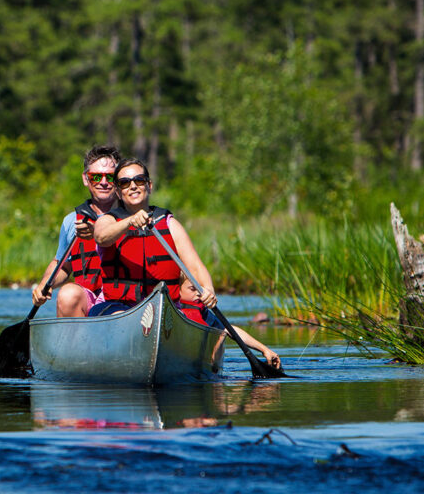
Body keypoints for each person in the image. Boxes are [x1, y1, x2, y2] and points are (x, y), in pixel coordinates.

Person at [92, 158, 281, 369]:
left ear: (149, 185)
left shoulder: (169, 224)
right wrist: (130, 221)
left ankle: (195, 367)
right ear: (118, 192)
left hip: (166, 313)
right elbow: (101, 237)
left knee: (201, 326)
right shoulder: (108, 220)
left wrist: (208, 289)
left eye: (139, 180)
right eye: (125, 182)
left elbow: (197, 267)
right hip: (118, 308)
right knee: (124, 318)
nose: (133, 186)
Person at [31, 145, 122, 318]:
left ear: (118, 180)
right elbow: (63, 265)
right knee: (67, 294)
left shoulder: (132, 218)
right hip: (88, 299)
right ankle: (75, 343)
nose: (103, 182)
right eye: (95, 176)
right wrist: (45, 284)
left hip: (124, 301)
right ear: (85, 179)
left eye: (110, 177)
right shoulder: (72, 221)